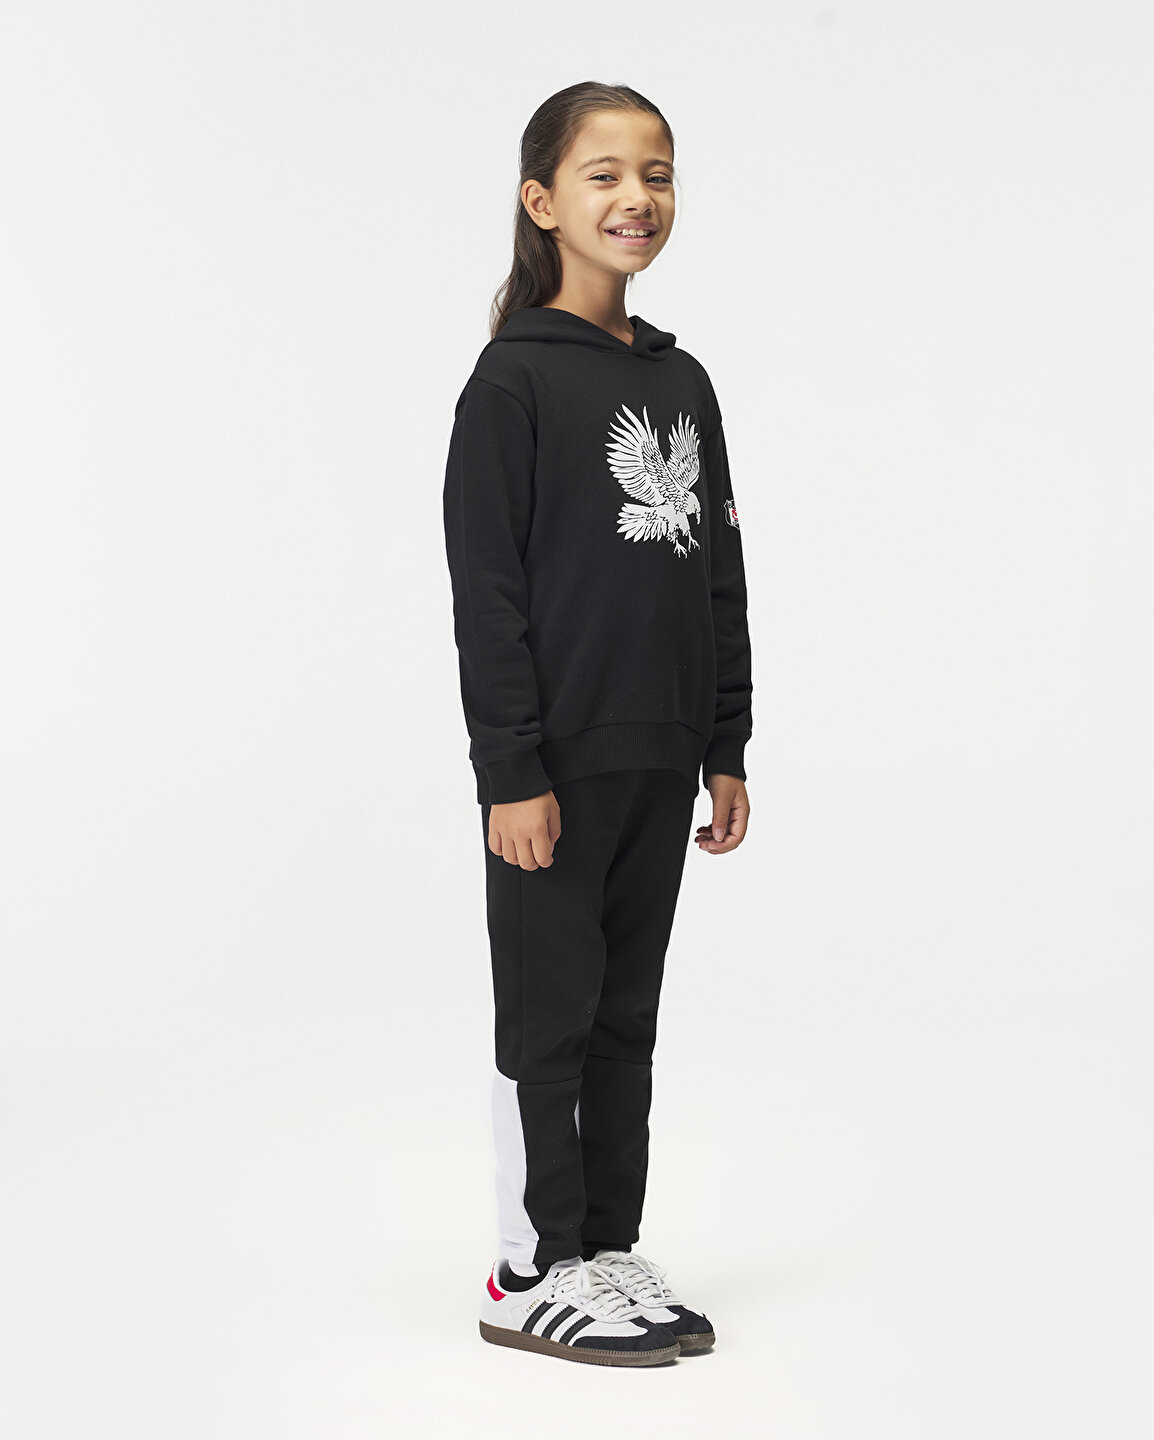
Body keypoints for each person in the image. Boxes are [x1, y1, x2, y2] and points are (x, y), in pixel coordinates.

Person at [441, 81, 753, 1368]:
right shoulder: (511, 384)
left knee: (627, 1017)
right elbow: (488, 595)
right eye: (605, 175)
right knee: (550, 1019)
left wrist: (726, 742)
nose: (637, 198)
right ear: (542, 202)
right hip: (555, 771)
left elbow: (719, 573)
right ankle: (530, 1268)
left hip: (661, 755)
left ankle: (603, 1247)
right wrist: (511, 769)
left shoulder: (683, 381)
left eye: (657, 174)